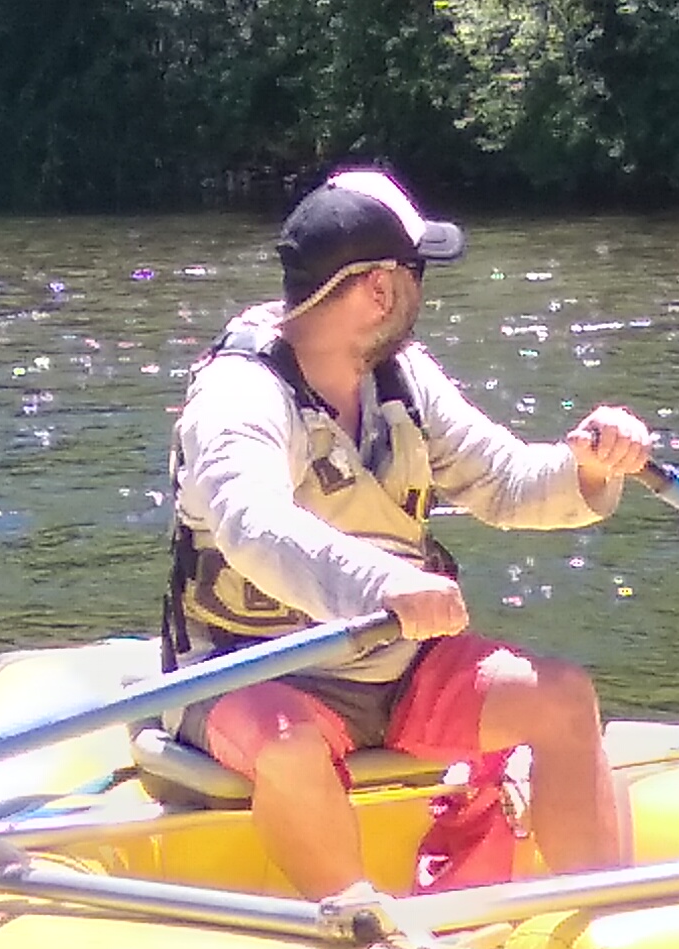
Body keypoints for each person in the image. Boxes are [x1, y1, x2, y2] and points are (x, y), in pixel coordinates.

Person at [165, 167, 652, 898]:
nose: (425, 293)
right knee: (293, 747)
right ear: (381, 289)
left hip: (396, 670)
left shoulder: (399, 377)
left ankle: (611, 921)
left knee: (561, 695)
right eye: (419, 272)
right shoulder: (238, 395)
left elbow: (507, 481)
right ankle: (366, 943)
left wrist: (586, 466)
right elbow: (251, 525)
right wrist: (383, 583)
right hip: (254, 671)